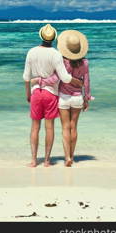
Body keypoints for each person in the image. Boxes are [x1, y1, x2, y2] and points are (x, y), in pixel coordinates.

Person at [23, 24, 82, 167]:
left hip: (36, 92)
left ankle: (33, 160)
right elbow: (65, 78)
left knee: (35, 127)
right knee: (49, 127)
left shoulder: (31, 52)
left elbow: (26, 77)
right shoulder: (56, 54)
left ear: (41, 36)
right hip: (51, 94)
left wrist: (28, 94)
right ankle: (47, 160)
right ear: (54, 39)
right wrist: (78, 82)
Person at [31, 30, 93, 167]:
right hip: (77, 98)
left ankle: (66, 158)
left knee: (65, 128)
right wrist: (87, 98)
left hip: (64, 98)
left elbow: (56, 78)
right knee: (73, 128)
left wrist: (40, 81)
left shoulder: (64, 62)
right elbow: (87, 81)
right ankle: (72, 155)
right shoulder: (85, 63)